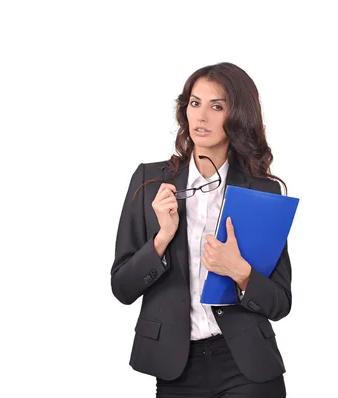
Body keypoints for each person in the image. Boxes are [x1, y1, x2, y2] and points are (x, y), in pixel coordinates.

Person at [110, 62, 292, 397]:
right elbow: (122, 287)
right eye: (195, 103)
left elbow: (280, 302)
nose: (201, 117)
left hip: (247, 366)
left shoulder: (260, 192)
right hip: (176, 369)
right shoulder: (150, 182)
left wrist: (241, 274)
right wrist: (161, 240)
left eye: (217, 106)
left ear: (238, 116)